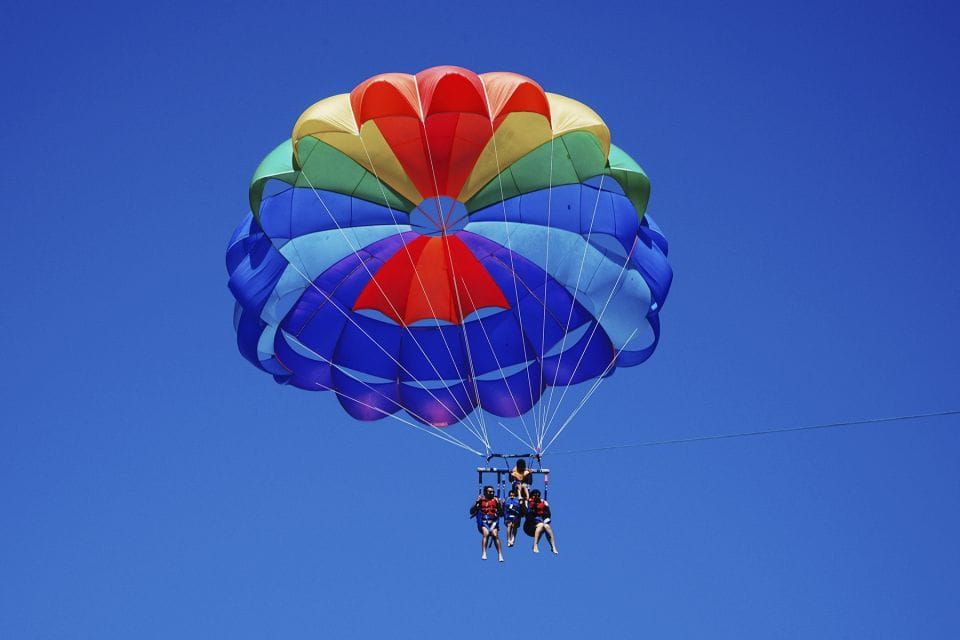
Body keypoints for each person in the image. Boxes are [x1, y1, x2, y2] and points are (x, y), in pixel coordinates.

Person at [471, 485, 503, 562]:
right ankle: (484, 552)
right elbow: (471, 511)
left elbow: (501, 514)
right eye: (490, 492)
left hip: (493, 521)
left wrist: (499, 505)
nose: (492, 493)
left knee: (495, 535)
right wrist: (476, 503)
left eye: (493, 492)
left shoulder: (496, 500)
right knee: (486, 534)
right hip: (483, 521)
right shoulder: (481, 500)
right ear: (485, 492)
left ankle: (500, 554)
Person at [527, 489, 557, 555]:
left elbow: (548, 514)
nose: (537, 497)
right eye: (535, 496)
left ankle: (553, 546)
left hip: (541, 521)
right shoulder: (530, 503)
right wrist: (533, 506)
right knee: (540, 525)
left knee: (547, 526)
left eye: (538, 495)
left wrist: (547, 507)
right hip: (530, 524)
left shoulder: (543, 502)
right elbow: (529, 514)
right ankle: (535, 545)